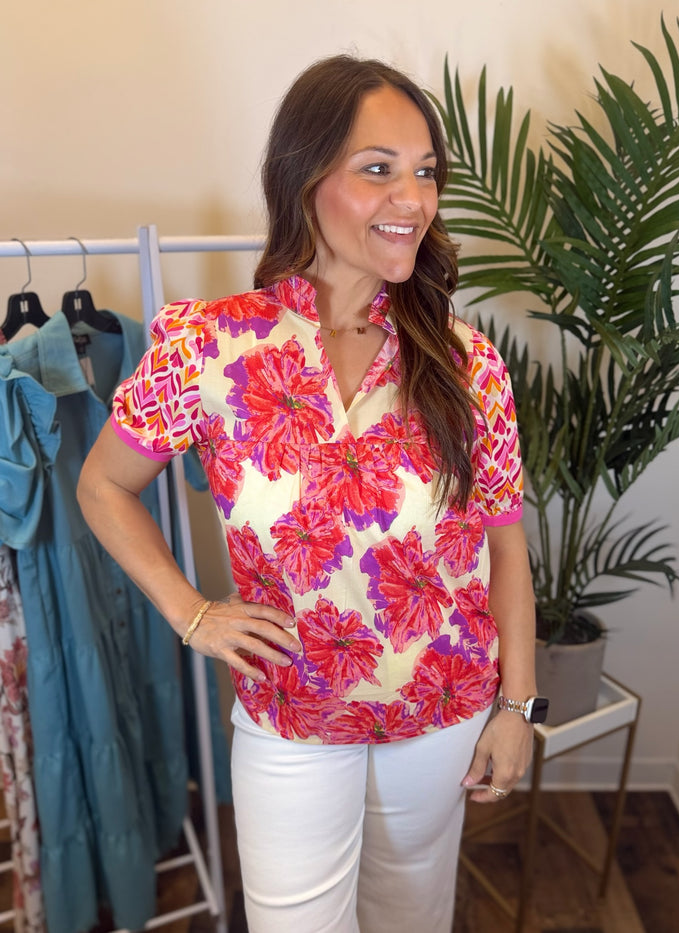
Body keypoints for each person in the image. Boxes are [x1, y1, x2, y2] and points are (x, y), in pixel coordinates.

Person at [78, 54, 538, 933]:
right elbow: (102, 484)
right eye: (379, 169)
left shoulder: (467, 362)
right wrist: (191, 612)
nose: (413, 199)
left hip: (441, 712)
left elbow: (506, 548)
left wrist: (518, 707)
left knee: (412, 920)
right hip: (290, 715)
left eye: (426, 172)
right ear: (304, 178)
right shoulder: (208, 346)